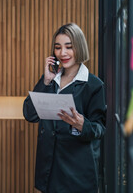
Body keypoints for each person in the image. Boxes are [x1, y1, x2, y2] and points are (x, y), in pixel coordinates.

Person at [23, 23, 106, 193]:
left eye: (69, 47)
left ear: (79, 47)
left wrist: (83, 125)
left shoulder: (93, 85)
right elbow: (30, 114)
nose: (62, 53)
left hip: (77, 172)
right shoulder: (50, 80)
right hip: (49, 169)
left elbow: (100, 129)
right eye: (58, 48)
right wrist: (45, 81)